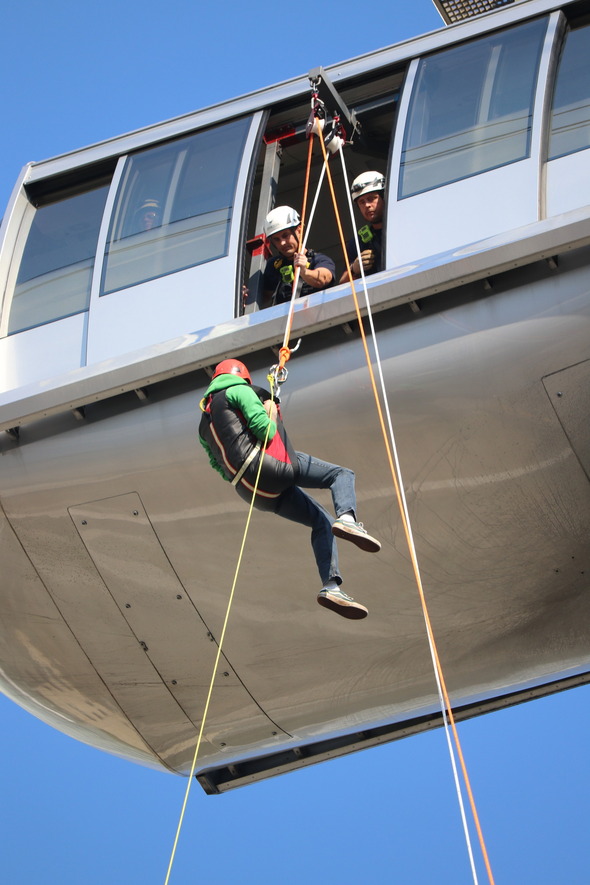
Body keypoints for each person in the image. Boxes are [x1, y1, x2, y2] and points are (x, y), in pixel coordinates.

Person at [199, 358, 380, 619]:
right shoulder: (238, 390)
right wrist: (271, 410)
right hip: (269, 466)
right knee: (341, 474)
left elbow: (218, 467)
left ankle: (331, 587)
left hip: (250, 492)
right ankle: (349, 518)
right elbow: (266, 430)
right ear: (243, 377)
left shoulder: (203, 425)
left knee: (321, 522)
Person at [261, 206, 336, 307]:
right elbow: (263, 297)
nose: (282, 243)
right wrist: (246, 297)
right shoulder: (273, 266)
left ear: (299, 230)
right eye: (276, 239)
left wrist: (305, 272)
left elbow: (323, 279)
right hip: (285, 321)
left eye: (285, 235)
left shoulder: (318, 260)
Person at [339, 172, 386, 284]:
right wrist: (354, 269)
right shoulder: (357, 243)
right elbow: (342, 284)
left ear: (385, 196)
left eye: (371, 199)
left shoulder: (403, 226)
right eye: (361, 202)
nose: (367, 205)